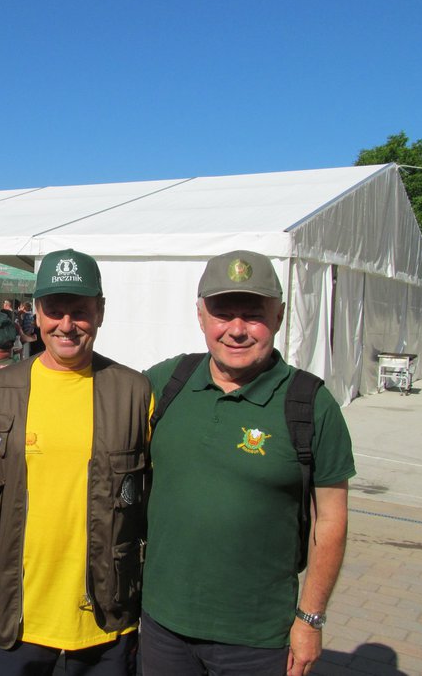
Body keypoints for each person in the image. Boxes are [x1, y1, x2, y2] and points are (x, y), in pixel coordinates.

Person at [140, 250, 355, 676]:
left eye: (253, 314)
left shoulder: (310, 404)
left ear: (279, 316)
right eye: (223, 313)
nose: (236, 330)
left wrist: (310, 619)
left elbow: (331, 519)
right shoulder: (165, 383)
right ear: (200, 316)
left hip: (257, 637)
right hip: (163, 625)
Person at [0, 249, 150, 675]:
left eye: (80, 311)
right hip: (17, 614)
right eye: (55, 310)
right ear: (37, 314)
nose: (67, 325)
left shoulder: (134, 394)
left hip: (106, 619)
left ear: (100, 312)